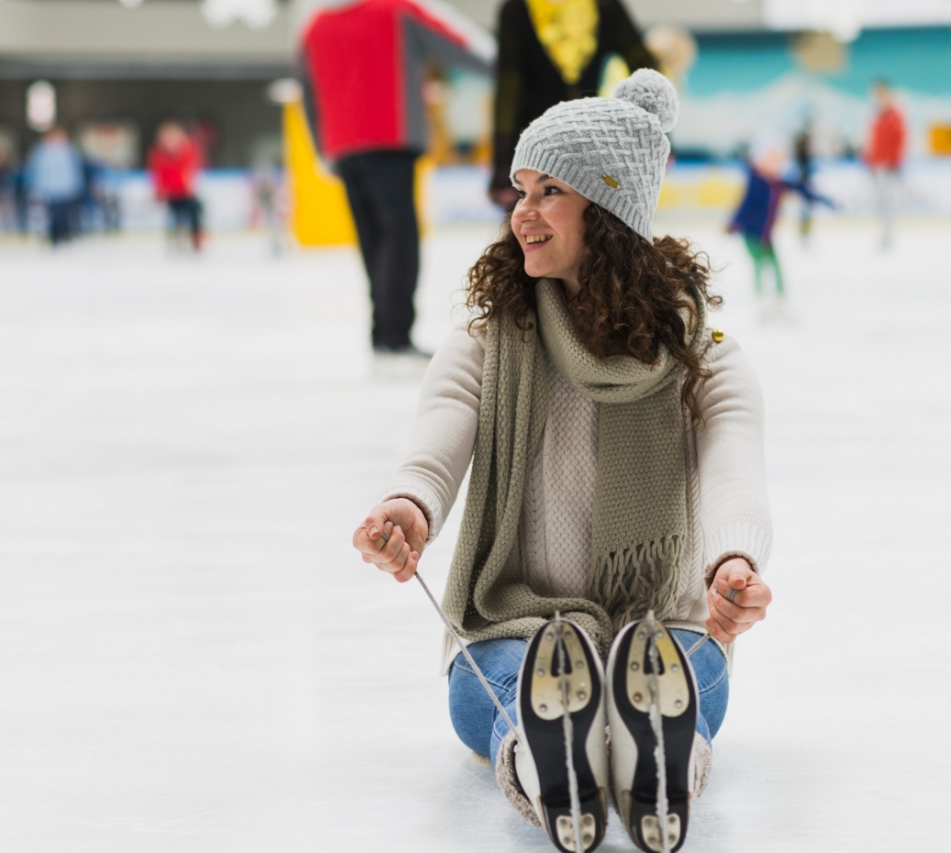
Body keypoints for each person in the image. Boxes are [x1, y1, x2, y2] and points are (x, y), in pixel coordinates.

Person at [351, 71, 773, 853]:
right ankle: (547, 754)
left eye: (549, 190)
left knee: (683, 669)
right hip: (513, 615)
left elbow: (733, 460)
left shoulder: (700, 354)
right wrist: (408, 505)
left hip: (656, 622)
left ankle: (661, 755)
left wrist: (733, 561)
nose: (522, 210)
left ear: (606, 207)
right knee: (506, 681)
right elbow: (440, 434)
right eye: (519, 188)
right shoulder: (488, 342)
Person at [299, 0, 493, 358]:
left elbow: (308, 93)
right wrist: (508, 67)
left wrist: (321, 148)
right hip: (390, 137)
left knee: (372, 242)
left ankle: (383, 334)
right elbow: (455, 43)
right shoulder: (393, 9)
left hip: (342, 147)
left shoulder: (315, 27)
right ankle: (395, 337)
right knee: (399, 240)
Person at [488, 0, 657, 210]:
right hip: (567, 145)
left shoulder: (605, 7)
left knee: (593, 232)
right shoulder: (518, 9)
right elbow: (509, 89)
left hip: (563, 146)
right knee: (583, 231)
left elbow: (508, 90)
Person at [728, 135, 832, 319]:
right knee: (760, 264)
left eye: (779, 160)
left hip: (766, 235)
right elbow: (745, 205)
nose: (775, 164)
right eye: (771, 159)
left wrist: (824, 200)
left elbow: (803, 190)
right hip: (751, 234)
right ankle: (761, 301)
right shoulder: (756, 182)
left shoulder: (779, 183)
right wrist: (734, 223)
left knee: (776, 266)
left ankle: (780, 301)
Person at [148, 121, 204, 252]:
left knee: (195, 212)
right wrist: (159, 189)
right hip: (171, 191)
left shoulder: (188, 149)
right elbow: (157, 172)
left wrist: (190, 183)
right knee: (175, 215)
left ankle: (196, 240)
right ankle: (175, 240)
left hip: (186, 190)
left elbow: (192, 167)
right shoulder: (158, 153)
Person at [863, 78, 905, 250]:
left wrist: (895, 161)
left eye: (880, 92)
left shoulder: (893, 114)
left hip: (889, 166)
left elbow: (899, 137)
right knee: (881, 201)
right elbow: (871, 140)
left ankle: (888, 235)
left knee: (889, 201)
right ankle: (884, 234)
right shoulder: (876, 114)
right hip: (877, 165)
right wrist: (868, 159)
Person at [26, 126, 84, 247]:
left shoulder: (68, 150)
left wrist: (77, 185)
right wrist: (34, 186)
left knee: (65, 213)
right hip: (50, 188)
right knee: (54, 212)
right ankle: (55, 235)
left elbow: (75, 169)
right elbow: (35, 170)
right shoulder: (41, 152)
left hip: (66, 188)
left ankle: (65, 234)